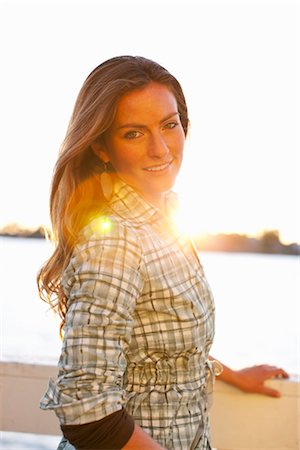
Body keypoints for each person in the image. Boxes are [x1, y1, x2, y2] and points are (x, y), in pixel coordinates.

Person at [38, 56, 288, 450]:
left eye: (169, 125)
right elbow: (86, 408)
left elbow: (156, 346)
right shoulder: (114, 240)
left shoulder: (167, 216)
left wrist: (230, 373)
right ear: (102, 147)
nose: (160, 149)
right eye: (134, 133)